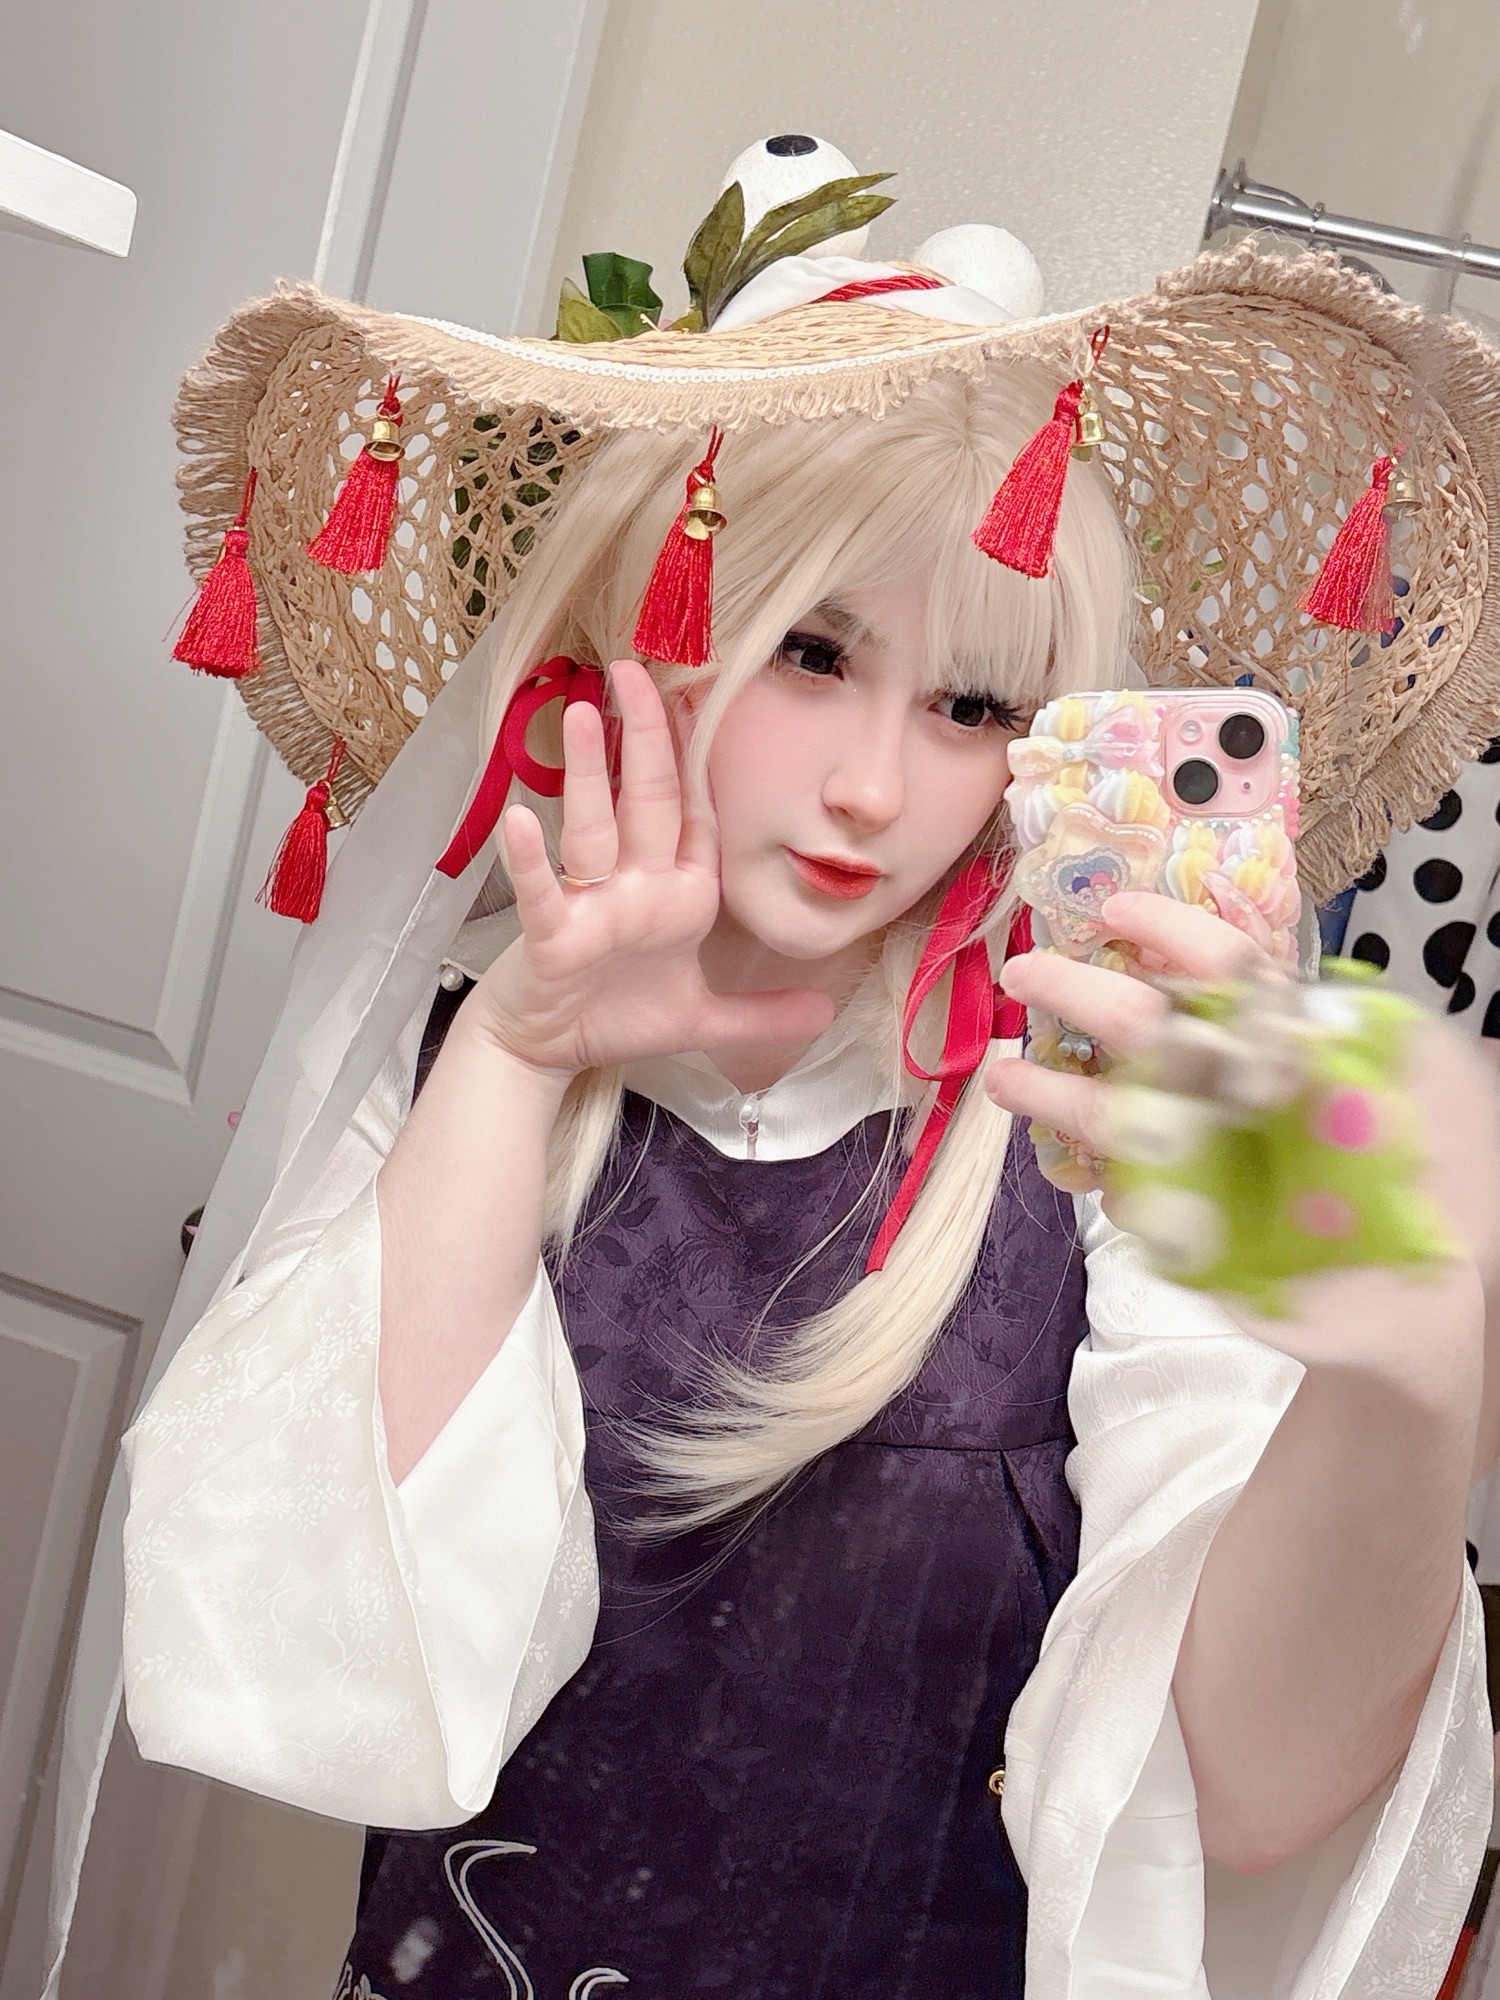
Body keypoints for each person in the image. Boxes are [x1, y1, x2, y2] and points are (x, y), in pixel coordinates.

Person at [44, 140, 1500, 2000]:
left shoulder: (1095, 1129)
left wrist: (1406, 1364)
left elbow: (1250, 1799)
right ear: (645, 630)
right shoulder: (453, 1057)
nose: (877, 788)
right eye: (813, 652)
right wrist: (519, 1054)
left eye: (971, 703)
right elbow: (324, 1659)